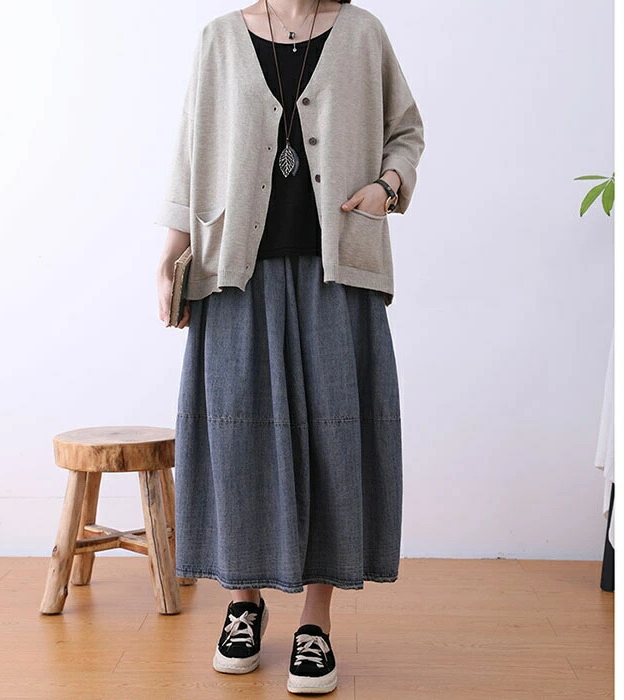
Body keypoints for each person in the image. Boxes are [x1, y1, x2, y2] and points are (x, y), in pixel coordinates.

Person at [155, 0, 425, 693]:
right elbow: (190, 153)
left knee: (335, 443)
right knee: (237, 440)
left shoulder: (362, 34)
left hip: (340, 271)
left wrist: (388, 186)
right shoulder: (220, 38)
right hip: (234, 273)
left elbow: (406, 131)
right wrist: (171, 258)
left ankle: (315, 622)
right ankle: (242, 605)